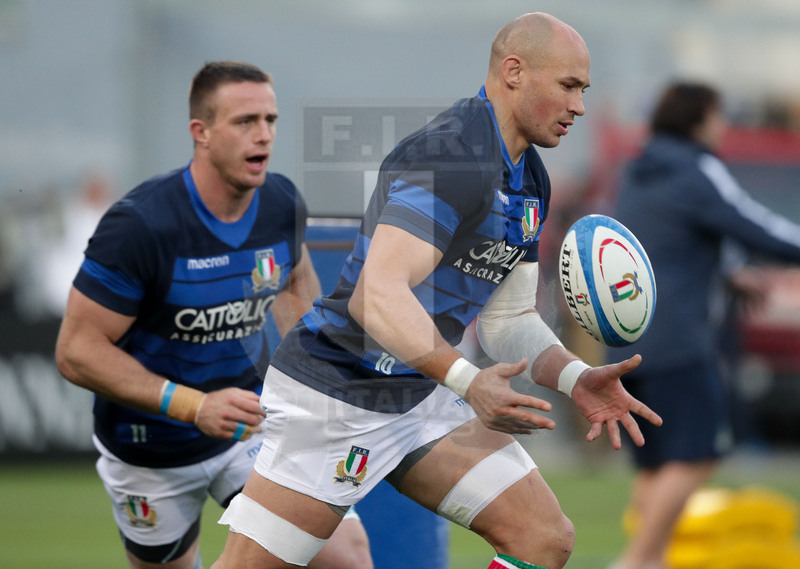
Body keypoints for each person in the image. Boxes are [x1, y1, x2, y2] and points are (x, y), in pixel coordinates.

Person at [211, 14, 662, 569]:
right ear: (514, 72)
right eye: (569, 86)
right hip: (337, 394)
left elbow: (508, 319)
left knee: (544, 538)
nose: (580, 107)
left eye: (584, 90)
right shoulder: (451, 157)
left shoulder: (529, 178)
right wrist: (469, 383)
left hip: (418, 397)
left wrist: (577, 377)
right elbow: (375, 297)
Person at [55, 61, 372, 569]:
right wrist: (192, 406)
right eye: (245, 121)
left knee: (346, 559)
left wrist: (320, 386)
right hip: (150, 447)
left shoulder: (281, 202)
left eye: (270, 120)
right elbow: (76, 352)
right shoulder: (140, 226)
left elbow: (296, 290)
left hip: (252, 427)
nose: (264, 135)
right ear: (200, 133)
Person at [609, 81, 800, 569]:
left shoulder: (639, 169)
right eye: (718, 116)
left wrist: (730, 272)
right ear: (699, 119)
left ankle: (651, 558)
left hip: (625, 338)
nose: (722, 126)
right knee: (699, 452)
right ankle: (640, 559)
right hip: (678, 340)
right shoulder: (697, 168)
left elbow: (673, 236)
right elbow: (750, 223)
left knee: (655, 460)